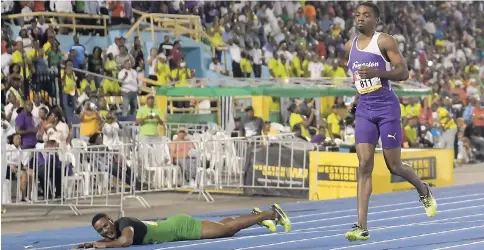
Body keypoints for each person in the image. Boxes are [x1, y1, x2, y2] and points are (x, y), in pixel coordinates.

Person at [344, 2, 437, 241]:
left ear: (375, 20)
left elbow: (404, 73)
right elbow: (358, 79)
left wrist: (378, 73)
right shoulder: (350, 46)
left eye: (366, 15)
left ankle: (423, 189)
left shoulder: (384, 41)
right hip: (365, 108)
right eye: (357, 15)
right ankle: (361, 226)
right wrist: (357, 97)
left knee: (394, 166)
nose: (360, 18)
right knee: (364, 164)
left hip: (387, 107)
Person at [75, 204, 290, 248]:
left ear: (112, 221)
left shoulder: (125, 224)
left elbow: (126, 241)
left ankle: (271, 213)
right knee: (222, 225)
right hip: (175, 224)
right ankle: (255, 215)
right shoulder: (117, 228)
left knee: (227, 230)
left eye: (105, 226)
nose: (104, 232)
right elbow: (115, 239)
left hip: (180, 228)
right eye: (100, 231)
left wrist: (101, 245)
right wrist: (90, 244)